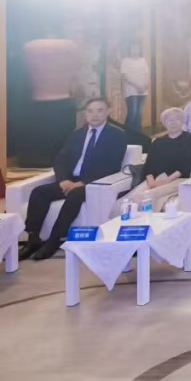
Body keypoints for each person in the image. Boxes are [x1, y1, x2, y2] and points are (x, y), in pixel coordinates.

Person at [20, 98, 128, 261]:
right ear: (85, 114)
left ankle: (54, 240)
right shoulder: (77, 134)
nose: (94, 115)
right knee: (39, 192)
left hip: (93, 183)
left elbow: (112, 165)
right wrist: (63, 180)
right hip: (70, 180)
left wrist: (83, 183)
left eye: (100, 110)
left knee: (75, 195)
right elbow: (60, 159)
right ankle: (33, 238)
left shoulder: (117, 135)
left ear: (108, 112)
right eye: (90, 111)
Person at [111, 107, 191, 217]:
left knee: (147, 196)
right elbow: (149, 166)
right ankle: (118, 223)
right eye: (170, 120)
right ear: (164, 123)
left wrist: (165, 181)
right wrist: (152, 182)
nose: (173, 123)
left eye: (177, 119)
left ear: (183, 121)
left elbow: (185, 165)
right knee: (128, 199)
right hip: (154, 180)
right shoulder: (158, 142)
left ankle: (149, 223)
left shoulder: (189, 139)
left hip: (177, 179)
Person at [120, 41, 150, 132]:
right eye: (133, 48)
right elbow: (125, 76)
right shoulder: (125, 61)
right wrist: (137, 86)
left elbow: (147, 74)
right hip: (131, 91)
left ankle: (137, 134)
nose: (135, 50)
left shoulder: (143, 60)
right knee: (132, 113)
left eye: (137, 48)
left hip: (143, 90)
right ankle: (127, 134)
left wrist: (145, 85)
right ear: (129, 49)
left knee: (139, 114)